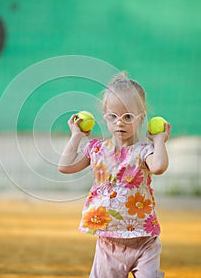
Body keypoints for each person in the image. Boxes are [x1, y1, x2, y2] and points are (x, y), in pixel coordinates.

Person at [58, 72, 171, 278]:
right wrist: (76, 136)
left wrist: (159, 140)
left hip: (144, 241)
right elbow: (65, 166)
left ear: (141, 118)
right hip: (108, 244)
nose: (120, 123)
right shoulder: (97, 149)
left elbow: (159, 167)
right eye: (113, 116)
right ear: (104, 117)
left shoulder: (144, 151)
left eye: (128, 116)